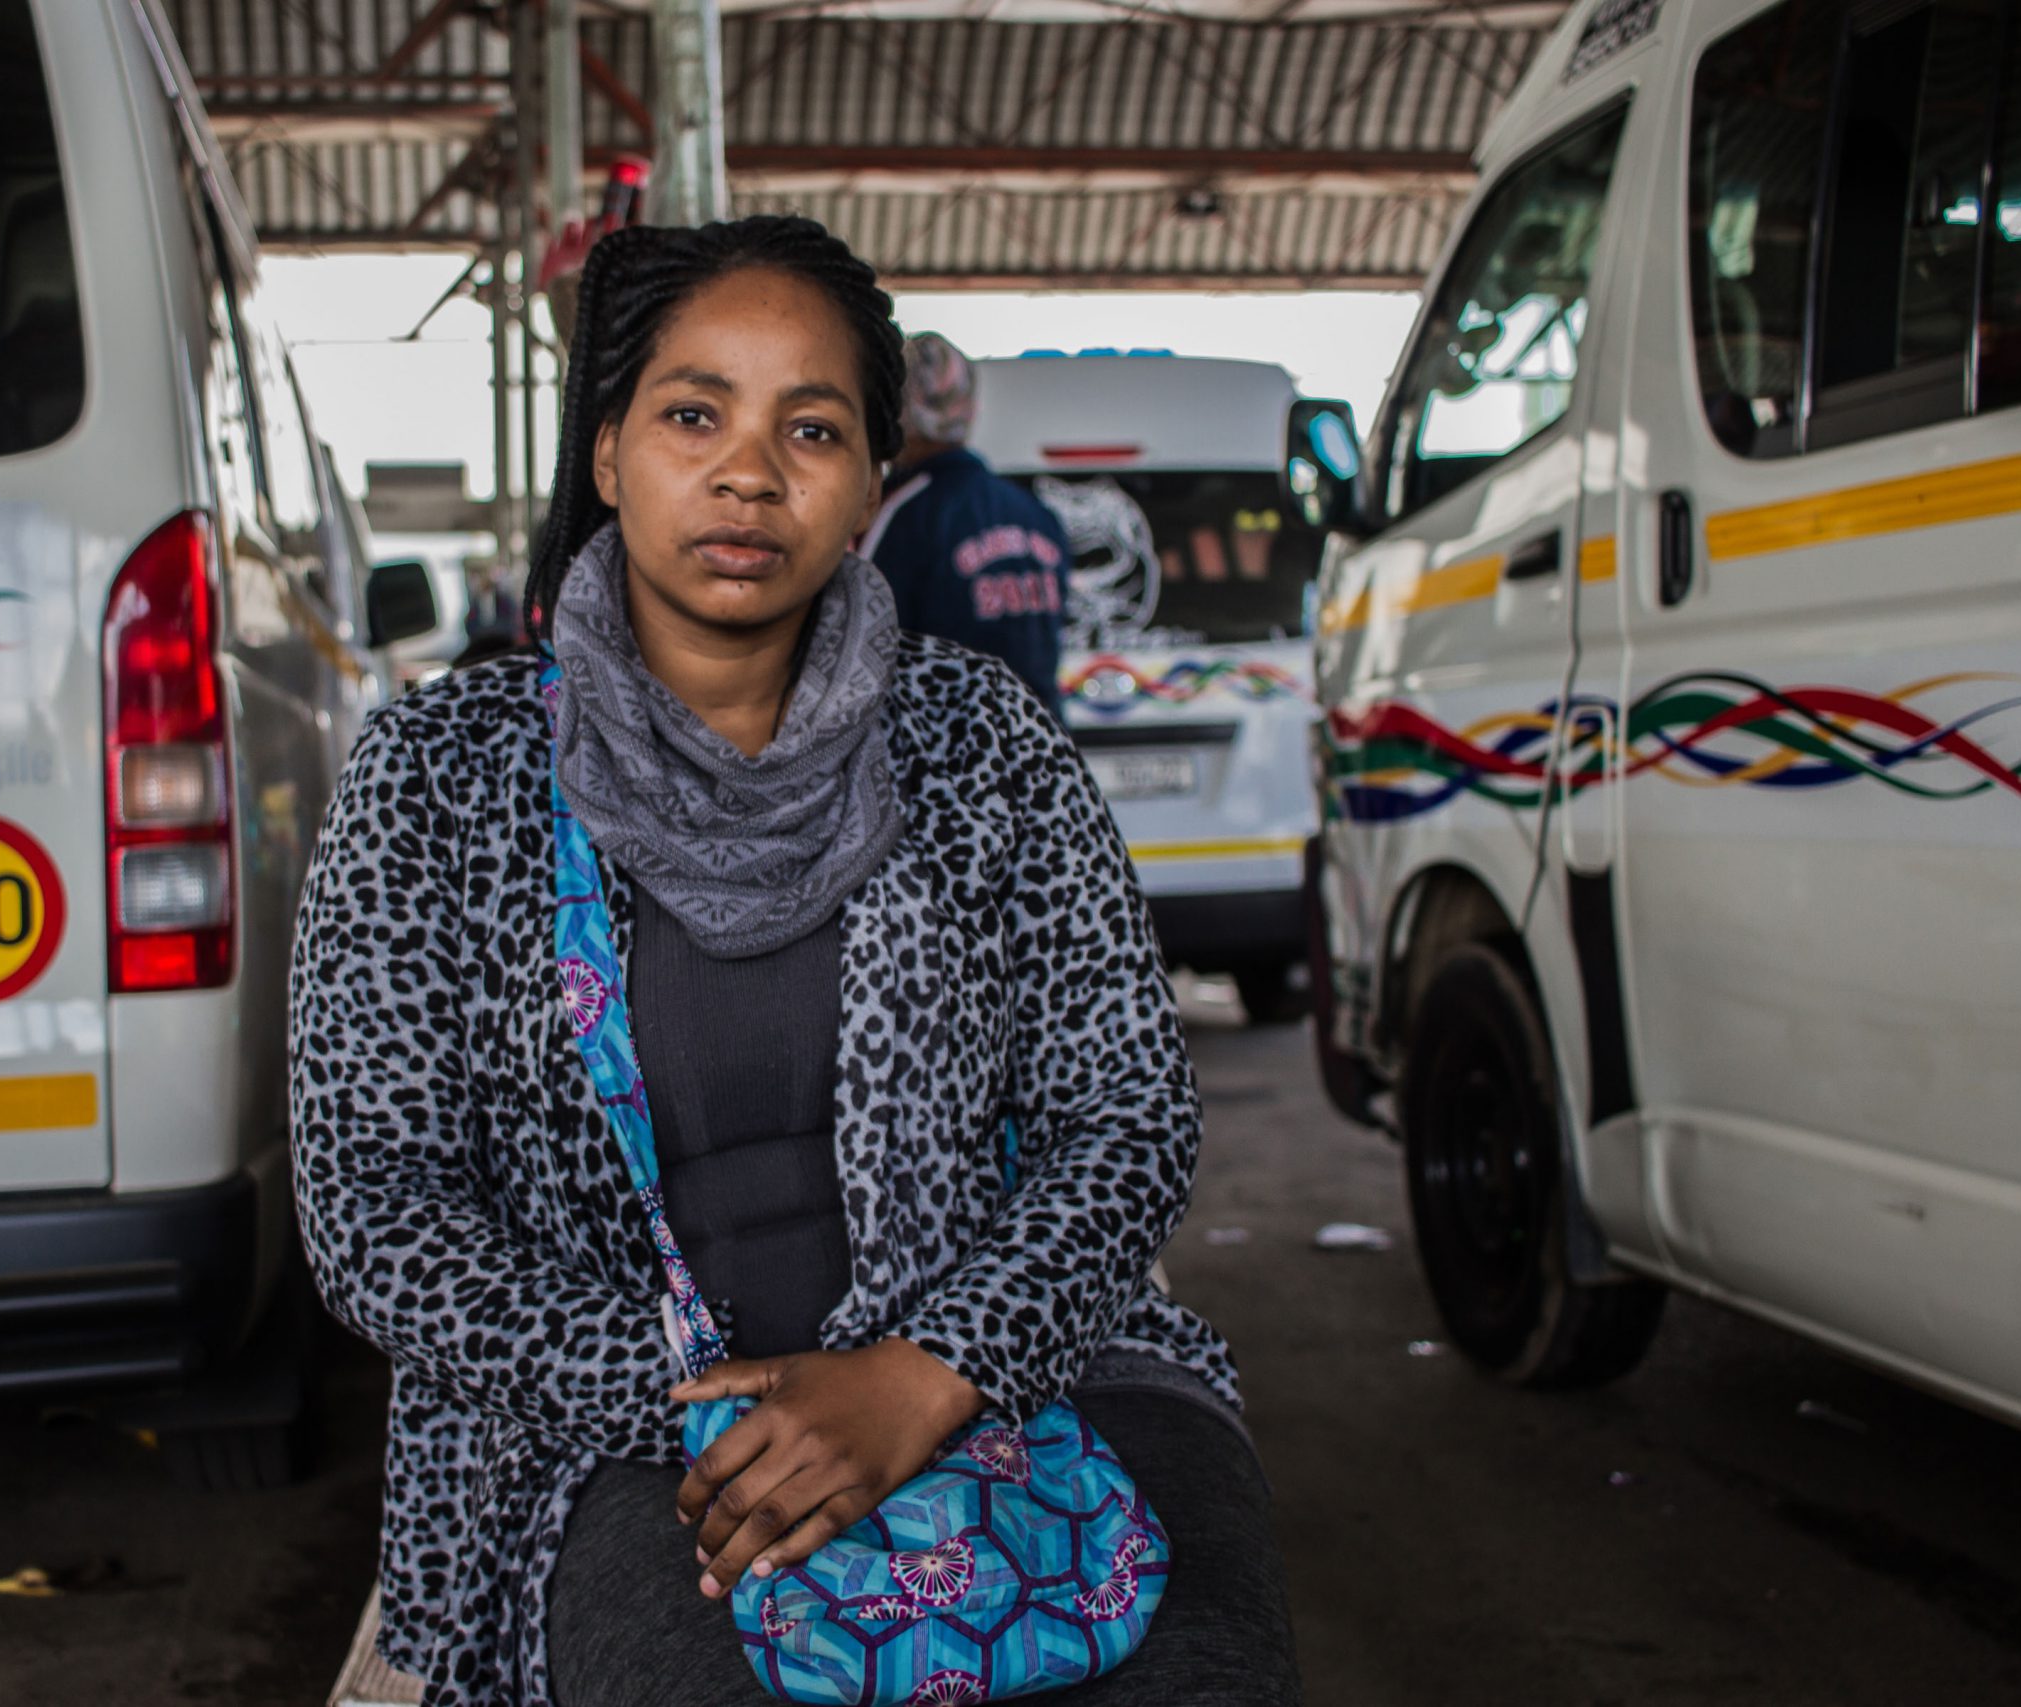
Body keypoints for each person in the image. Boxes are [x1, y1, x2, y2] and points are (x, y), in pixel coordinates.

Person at [288, 216, 1299, 1707]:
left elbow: (1127, 1113)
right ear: (610, 452)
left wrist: (926, 1372)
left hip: (1025, 1373)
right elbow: (372, 1202)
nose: (749, 470)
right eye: (696, 413)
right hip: (606, 1433)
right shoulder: (442, 776)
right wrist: (717, 1407)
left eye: (810, 427)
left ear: (870, 485)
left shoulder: (980, 743)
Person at [860, 332, 1072, 719]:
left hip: (946, 758)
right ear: (969, 406)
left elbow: (863, 644)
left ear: (897, 410)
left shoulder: (898, 514)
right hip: (1042, 753)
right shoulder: (1034, 514)